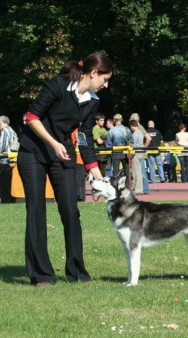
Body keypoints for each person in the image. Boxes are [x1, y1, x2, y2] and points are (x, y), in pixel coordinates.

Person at [18, 52, 112, 286]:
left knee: (71, 210)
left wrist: (93, 166)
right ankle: (42, 275)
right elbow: (31, 117)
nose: (106, 85)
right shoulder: (58, 85)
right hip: (33, 152)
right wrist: (53, 142)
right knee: (37, 210)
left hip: (63, 152)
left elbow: (85, 134)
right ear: (93, 73)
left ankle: (77, 271)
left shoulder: (93, 101)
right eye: (105, 79)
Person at [106, 113, 132, 182]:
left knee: (115, 171)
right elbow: (131, 141)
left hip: (115, 151)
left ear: (114, 120)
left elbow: (108, 144)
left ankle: (116, 186)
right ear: (121, 120)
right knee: (127, 170)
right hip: (125, 150)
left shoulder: (111, 131)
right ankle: (127, 185)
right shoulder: (127, 129)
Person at [129, 119, 150, 194]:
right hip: (141, 152)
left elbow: (134, 144)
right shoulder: (141, 132)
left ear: (131, 126)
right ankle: (135, 188)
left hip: (136, 153)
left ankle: (138, 189)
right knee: (137, 171)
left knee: (137, 171)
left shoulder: (134, 134)